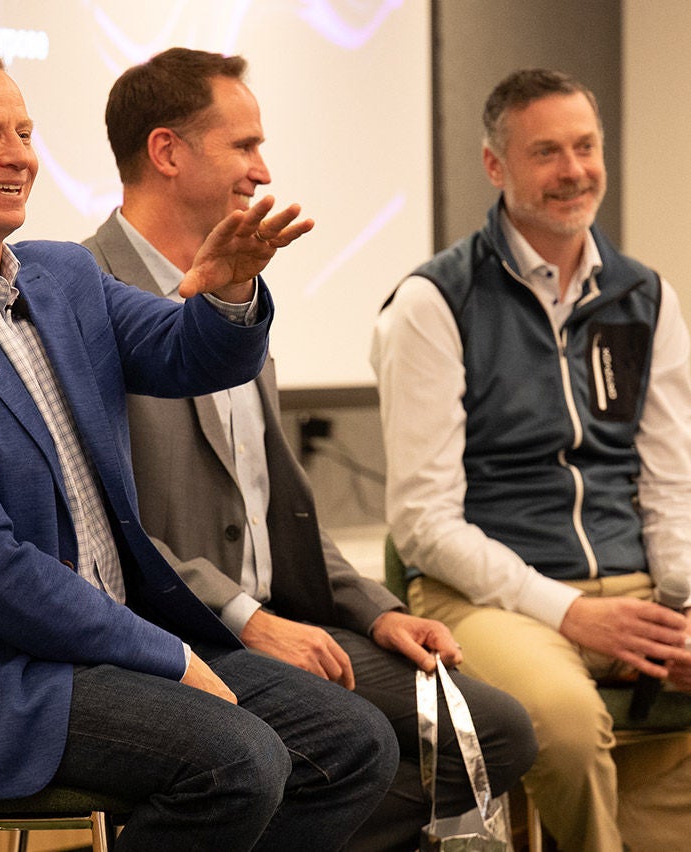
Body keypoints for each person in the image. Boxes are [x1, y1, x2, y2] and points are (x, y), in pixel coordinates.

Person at [0, 42, 399, 852]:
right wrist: (167, 655)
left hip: (108, 646)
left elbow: (192, 354)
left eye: (24, 130)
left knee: (352, 743)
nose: (19, 154)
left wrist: (228, 289)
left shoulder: (61, 279)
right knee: (238, 760)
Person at [370, 68, 691, 852]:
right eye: (547, 152)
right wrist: (570, 612)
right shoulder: (433, 305)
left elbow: (673, 484)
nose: (574, 170)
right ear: (495, 166)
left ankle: (618, 842)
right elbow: (425, 525)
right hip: (489, 602)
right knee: (567, 728)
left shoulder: (646, 298)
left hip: (635, 591)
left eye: (586, 146)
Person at [83, 46, 537, 852]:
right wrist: (249, 619)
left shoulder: (239, 286)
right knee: (351, 743)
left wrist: (379, 610)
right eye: (245, 145)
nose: (264, 170)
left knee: (493, 731)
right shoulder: (81, 295)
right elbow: (109, 530)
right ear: (167, 151)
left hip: (286, 621)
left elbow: (275, 503)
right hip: (178, 634)